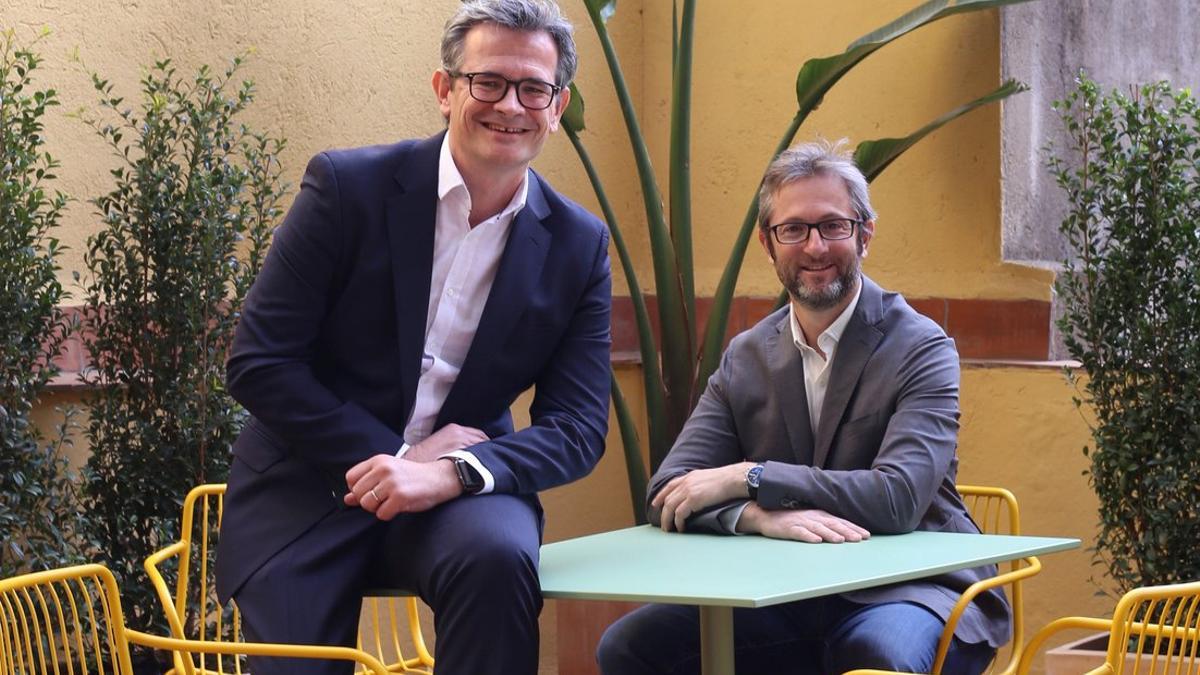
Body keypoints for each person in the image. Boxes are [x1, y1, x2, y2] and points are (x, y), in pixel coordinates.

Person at [213, 2, 611, 674]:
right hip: (311, 484)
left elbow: (577, 427)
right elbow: (259, 362)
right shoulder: (347, 189)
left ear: (557, 103)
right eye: (487, 82)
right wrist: (402, 453)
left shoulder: (578, 244)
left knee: (499, 558)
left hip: (458, 497)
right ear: (444, 88)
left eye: (532, 88)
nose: (509, 105)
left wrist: (448, 472)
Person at [596, 140, 1010, 675]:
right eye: (793, 229)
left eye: (833, 226)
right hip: (787, 592)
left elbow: (898, 498)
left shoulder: (921, 347)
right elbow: (667, 492)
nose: (814, 247)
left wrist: (749, 476)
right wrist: (755, 515)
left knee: (874, 656)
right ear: (769, 245)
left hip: (911, 588)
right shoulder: (747, 356)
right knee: (630, 646)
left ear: (865, 234)